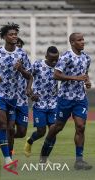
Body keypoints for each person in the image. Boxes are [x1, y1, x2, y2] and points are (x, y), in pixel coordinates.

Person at [0, 23, 31, 170]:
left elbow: (29, 75)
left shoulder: (21, 54)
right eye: (11, 34)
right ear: (4, 37)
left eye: (15, 34)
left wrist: (21, 69)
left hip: (14, 97)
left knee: (13, 130)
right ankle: (8, 161)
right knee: (3, 125)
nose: (14, 36)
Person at [39, 33, 92, 170]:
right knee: (58, 127)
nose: (83, 42)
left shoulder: (87, 58)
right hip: (65, 98)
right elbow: (56, 75)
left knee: (80, 126)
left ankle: (79, 161)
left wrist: (87, 82)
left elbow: (84, 74)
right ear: (72, 42)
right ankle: (44, 153)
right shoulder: (66, 57)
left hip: (80, 98)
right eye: (79, 40)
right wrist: (76, 78)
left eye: (83, 39)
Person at [24, 46, 59, 157]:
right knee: (41, 132)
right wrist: (30, 90)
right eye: (51, 59)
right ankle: (30, 141)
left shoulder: (59, 66)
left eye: (56, 59)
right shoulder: (38, 65)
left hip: (53, 103)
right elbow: (28, 76)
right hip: (39, 103)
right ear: (46, 56)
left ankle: (44, 158)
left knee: (53, 131)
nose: (54, 62)